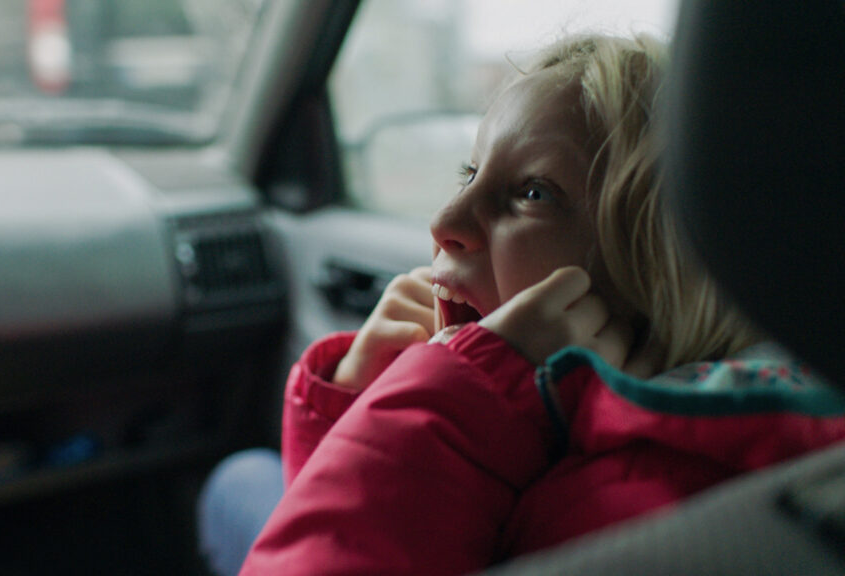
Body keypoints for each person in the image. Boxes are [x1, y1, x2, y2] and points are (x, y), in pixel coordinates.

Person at [199, 33, 845, 576]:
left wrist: (452, 400)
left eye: (533, 193)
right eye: (469, 173)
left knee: (237, 483)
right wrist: (365, 404)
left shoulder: (618, 503)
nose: (445, 222)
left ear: (665, 271)